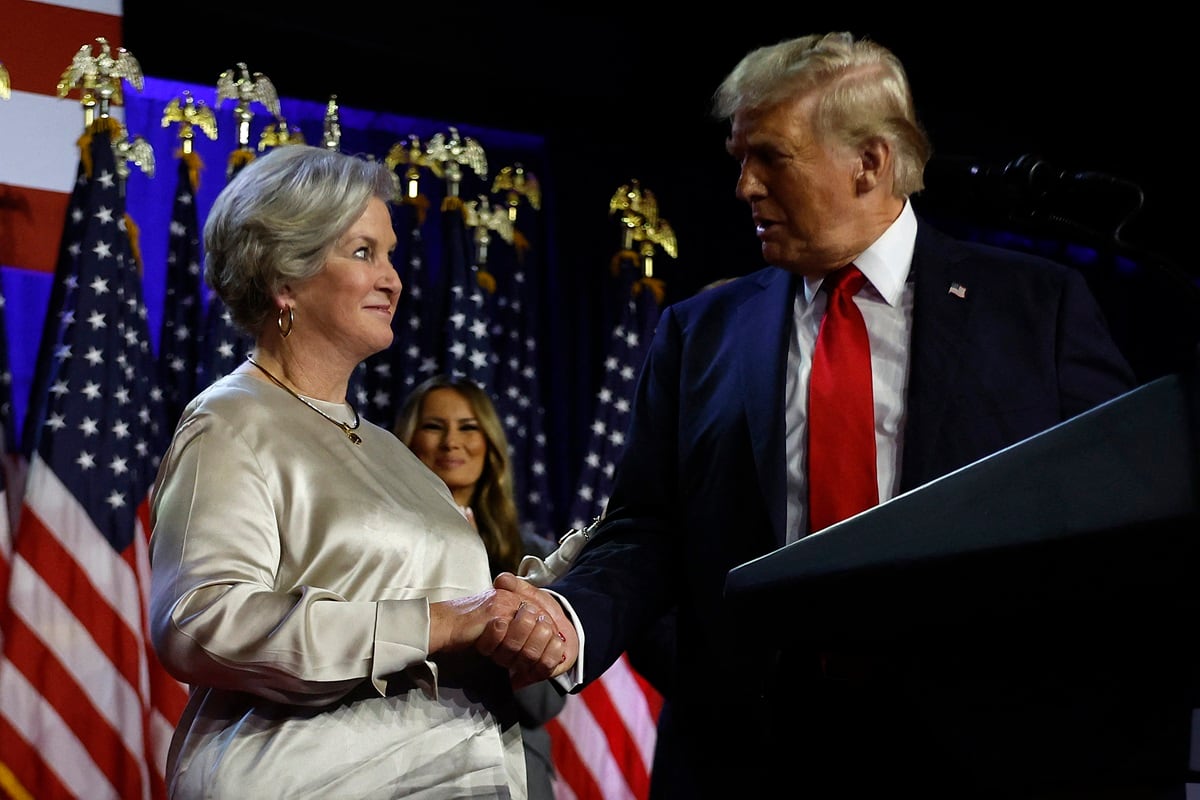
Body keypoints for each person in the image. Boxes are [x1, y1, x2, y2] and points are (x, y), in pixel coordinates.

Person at [490, 31, 1144, 798]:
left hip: (979, 750)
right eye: (740, 159)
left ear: (869, 161)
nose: (744, 187)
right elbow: (647, 525)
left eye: (771, 156)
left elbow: (1115, 523)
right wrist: (574, 618)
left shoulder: (1037, 309)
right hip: (750, 755)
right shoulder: (701, 332)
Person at [148, 144, 574, 800]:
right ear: (284, 278)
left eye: (391, 254)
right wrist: (437, 622)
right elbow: (199, 622)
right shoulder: (231, 421)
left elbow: (454, 625)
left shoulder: (392, 452)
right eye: (362, 252)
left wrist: (515, 627)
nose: (393, 279)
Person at [394, 374, 567, 800]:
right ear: (406, 441)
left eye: (469, 427)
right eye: (434, 426)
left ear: (489, 443)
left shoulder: (533, 557)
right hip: (404, 762)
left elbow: (546, 702)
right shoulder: (374, 549)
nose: (452, 442)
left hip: (513, 765)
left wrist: (478, 576)